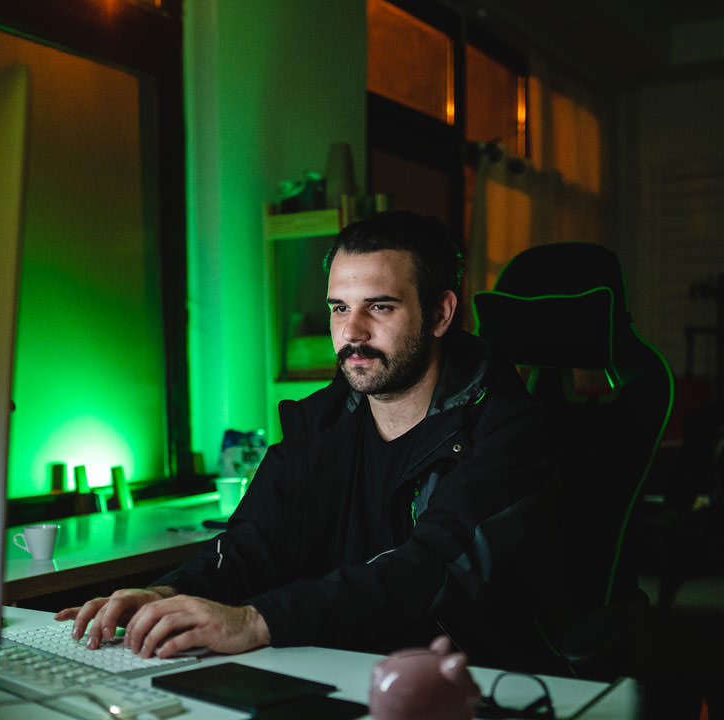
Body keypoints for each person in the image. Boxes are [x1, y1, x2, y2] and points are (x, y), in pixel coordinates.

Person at [56, 211, 558, 671]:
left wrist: (257, 621)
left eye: (380, 307)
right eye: (339, 308)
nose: (352, 331)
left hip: (460, 681)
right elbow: (253, 541)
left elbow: (430, 568)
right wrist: (167, 593)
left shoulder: (507, 430)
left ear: (441, 314)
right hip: (329, 665)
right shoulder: (318, 423)